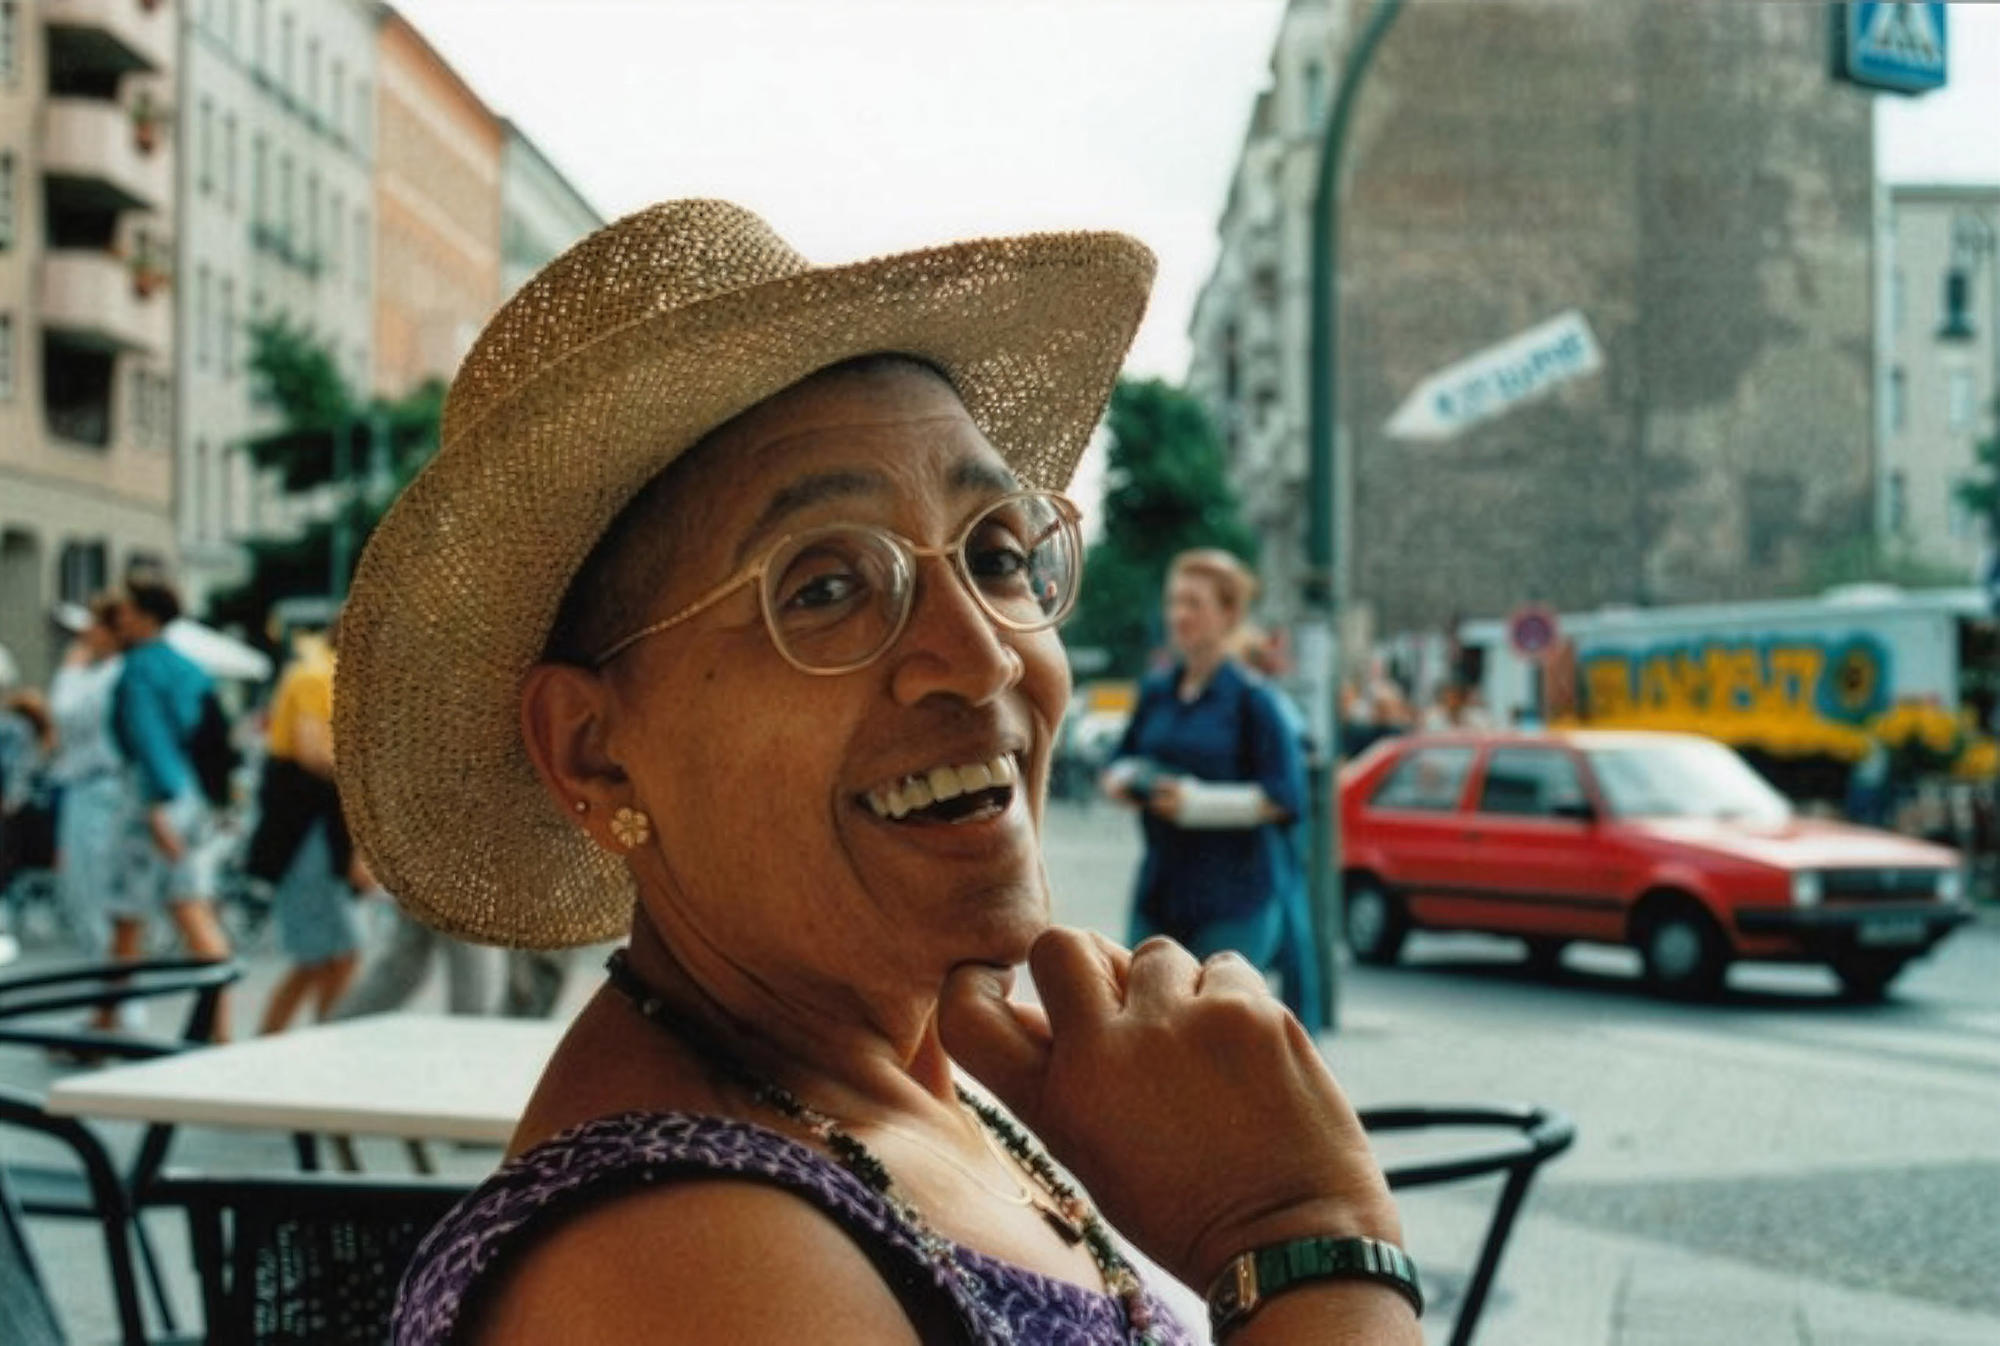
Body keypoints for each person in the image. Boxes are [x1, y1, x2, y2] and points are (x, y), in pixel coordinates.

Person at [336, 201, 1420, 1345]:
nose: (980, 651)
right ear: (593, 750)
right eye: (822, 585)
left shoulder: (911, 1090)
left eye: (997, 553)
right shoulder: (676, 1268)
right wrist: (1302, 1226)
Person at [1102, 552, 1315, 1021]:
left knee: (1214, 1034)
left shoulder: (1254, 700)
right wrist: (1127, 783)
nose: (1180, 615)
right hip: (1160, 888)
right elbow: (1117, 760)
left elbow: (1286, 798)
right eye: (1174, 602)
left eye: (1195, 604)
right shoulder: (1157, 690)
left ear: (1229, 614)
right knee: (1143, 1022)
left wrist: (1195, 803)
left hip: (1232, 897)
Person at [108, 574, 236, 1038]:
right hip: (190, 794)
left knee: (131, 916)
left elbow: (146, 737)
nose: (118, 619)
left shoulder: (139, 667)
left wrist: (156, 801)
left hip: (154, 798)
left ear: (144, 616)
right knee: (190, 903)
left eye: (124, 611)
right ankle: (219, 1024)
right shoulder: (189, 668)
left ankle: (106, 1021)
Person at [247, 621, 364, 1033]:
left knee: (328, 956)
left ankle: (290, 1042)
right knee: (331, 954)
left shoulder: (323, 672)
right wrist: (369, 773)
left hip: (310, 834)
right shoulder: (319, 675)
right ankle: (305, 1043)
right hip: (307, 833)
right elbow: (314, 751)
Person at [1230, 626, 1327, 1034]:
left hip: (1277, 831)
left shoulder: (1263, 700)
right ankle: (1302, 1026)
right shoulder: (1268, 699)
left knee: (1291, 930)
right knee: (1290, 932)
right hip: (1279, 828)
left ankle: (1304, 1027)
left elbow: (1302, 750)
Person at [47, 598, 133, 982]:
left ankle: (112, 1006)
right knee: (89, 896)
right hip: (95, 789)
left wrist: (69, 671)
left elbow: (67, 716)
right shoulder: (108, 672)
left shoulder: (110, 674)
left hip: (98, 790)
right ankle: (109, 1006)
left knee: (92, 895)